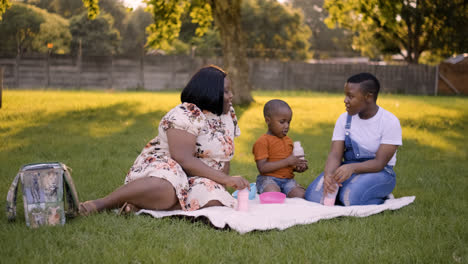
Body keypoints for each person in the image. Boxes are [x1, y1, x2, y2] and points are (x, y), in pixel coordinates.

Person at [79, 65, 250, 215]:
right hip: (167, 169)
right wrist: (226, 179)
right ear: (210, 92)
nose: (231, 95)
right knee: (167, 189)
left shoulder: (227, 114)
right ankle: (101, 204)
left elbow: (225, 157)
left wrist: (223, 184)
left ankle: (141, 206)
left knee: (217, 198)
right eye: (226, 91)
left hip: (198, 176)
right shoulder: (185, 114)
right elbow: (183, 159)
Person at [305, 73, 402, 206]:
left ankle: (383, 197)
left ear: (368, 97)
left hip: (380, 172)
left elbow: (379, 163)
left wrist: (351, 168)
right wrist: (329, 174)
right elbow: (335, 154)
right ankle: (352, 190)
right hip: (348, 169)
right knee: (313, 197)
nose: (345, 100)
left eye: (350, 96)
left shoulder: (389, 122)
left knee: (350, 199)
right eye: (345, 95)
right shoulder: (344, 119)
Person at [252, 99, 308, 198]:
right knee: (273, 195)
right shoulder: (262, 141)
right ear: (268, 120)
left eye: (289, 122)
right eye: (282, 122)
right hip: (268, 179)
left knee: (301, 195)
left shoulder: (288, 141)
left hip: (288, 180)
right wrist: (288, 161)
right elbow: (262, 168)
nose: (286, 126)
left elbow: (289, 165)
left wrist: (298, 167)